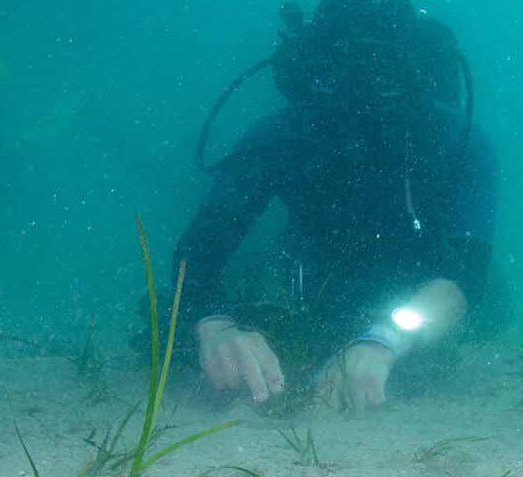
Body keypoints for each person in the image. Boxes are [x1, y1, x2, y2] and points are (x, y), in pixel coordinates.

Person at [175, 0, 497, 411]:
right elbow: (199, 251)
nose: (361, 84)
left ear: (414, 65)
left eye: (380, 64)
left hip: (423, 289)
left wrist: (387, 337)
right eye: (344, 61)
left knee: (494, 309)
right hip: (317, 288)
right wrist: (214, 326)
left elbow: (467, 276)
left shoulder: (458, 140)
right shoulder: (284, 134)